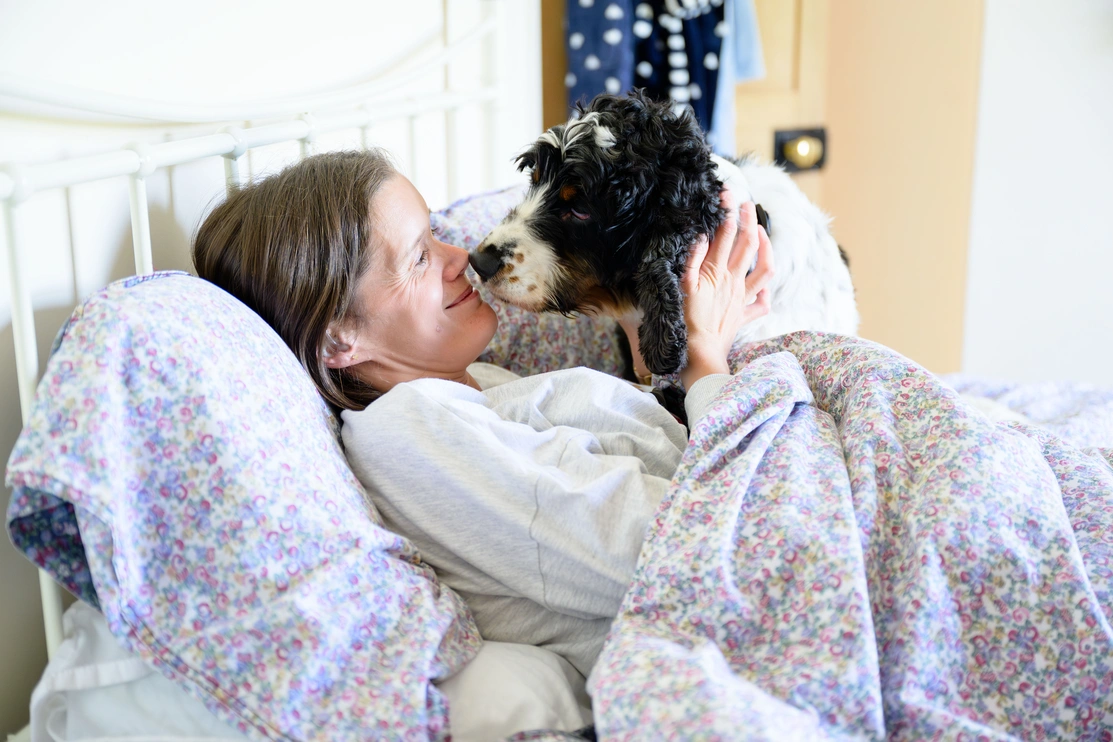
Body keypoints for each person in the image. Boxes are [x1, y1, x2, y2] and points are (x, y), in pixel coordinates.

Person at [192, 149, 774, 677]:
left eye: (437, 237)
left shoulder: (471, 385)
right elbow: (680, 552)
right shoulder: (412, 433)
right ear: (338, 340)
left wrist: (671, 338)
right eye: (419, 258)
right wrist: (705, 362)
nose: (460, 257)